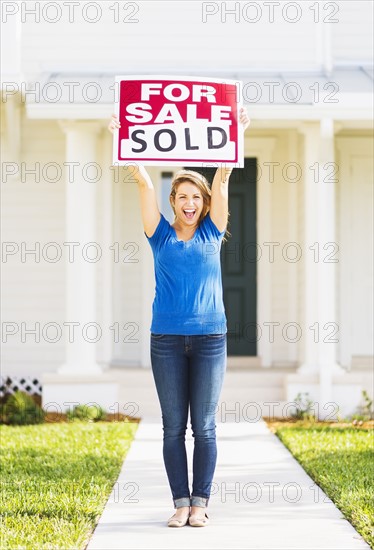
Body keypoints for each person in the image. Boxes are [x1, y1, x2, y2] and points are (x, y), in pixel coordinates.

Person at [109, 107, 250, 527]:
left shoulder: (212, 231)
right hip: (166, 341)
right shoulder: (160, 234)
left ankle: (201, 503)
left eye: (196, 197)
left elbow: (223, 176)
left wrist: (236, 133)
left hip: (210, 339)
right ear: (174, 201)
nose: (189, 202)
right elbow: (143, 181)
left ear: (204, 203)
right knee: (173, 427)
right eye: (182, 196)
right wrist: (125, 143)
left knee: (203, 427)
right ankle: (180, 503)